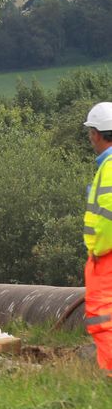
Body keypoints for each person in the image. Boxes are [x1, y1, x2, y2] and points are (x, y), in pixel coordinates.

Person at [84, 103, 112, 373]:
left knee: (101, 318)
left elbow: (108, 219)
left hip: (106, 257)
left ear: (97, 133)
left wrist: (98, 252)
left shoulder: (110, 167)